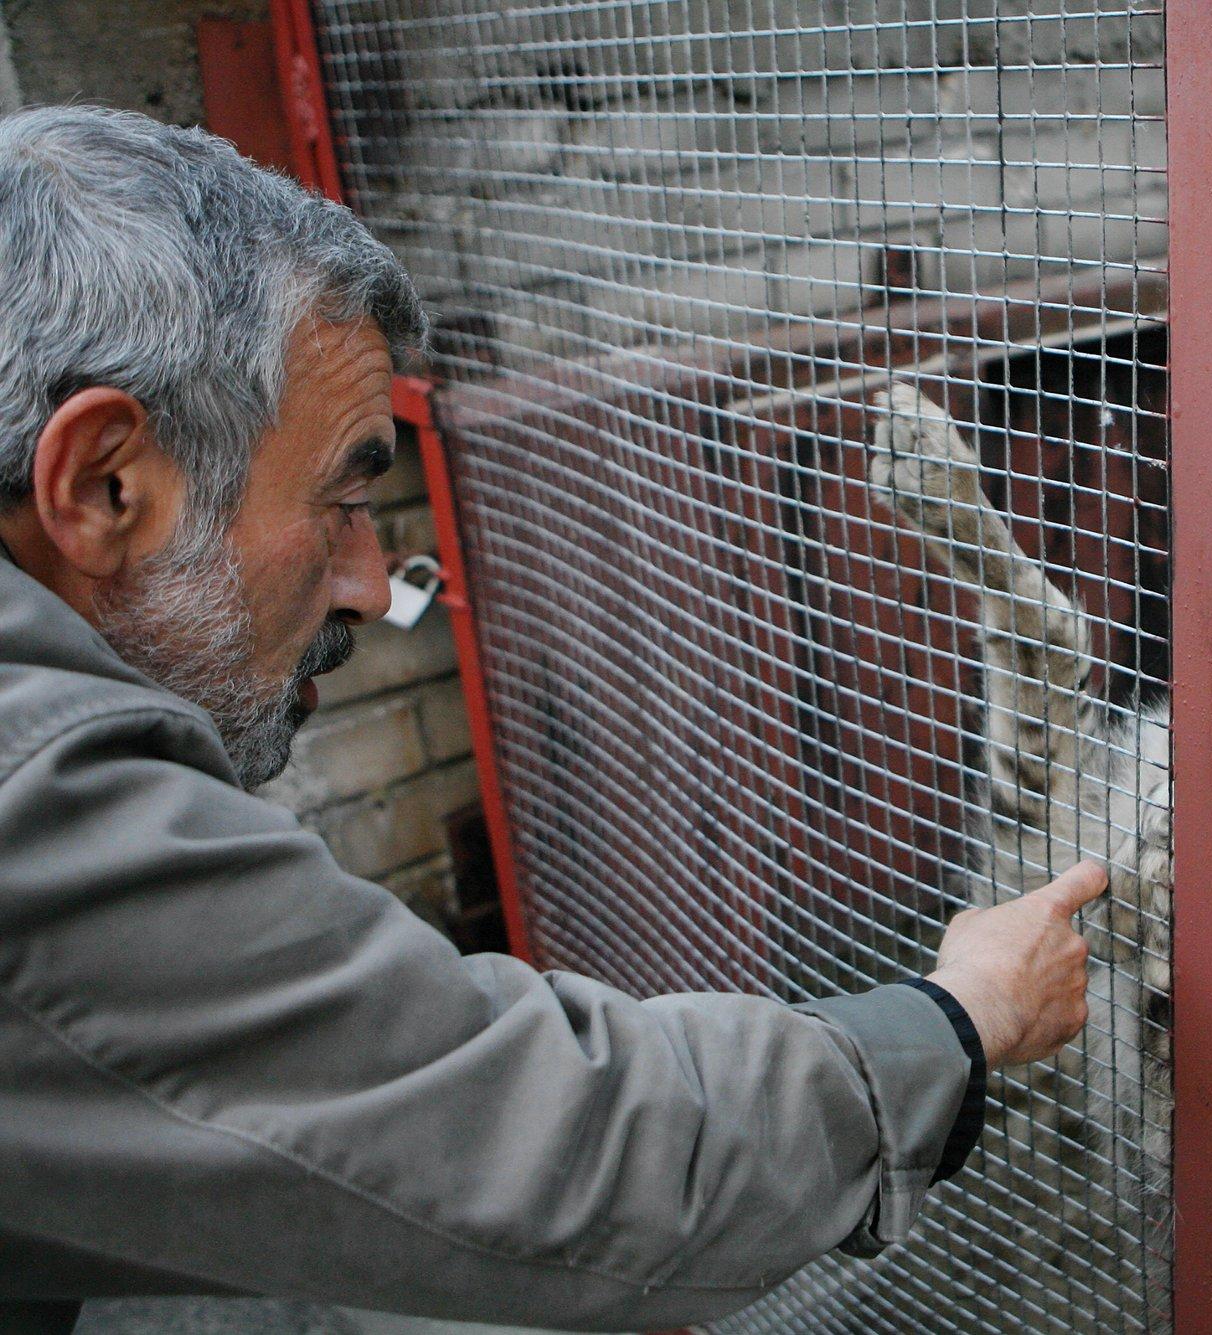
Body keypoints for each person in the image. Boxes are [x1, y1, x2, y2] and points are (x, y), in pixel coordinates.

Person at [0, 104, 1105, 1333]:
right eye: (343, 500)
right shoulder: (30, 800)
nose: (368, 584)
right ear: (104, 484)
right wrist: (956, 1021)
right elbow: (537, 1143)